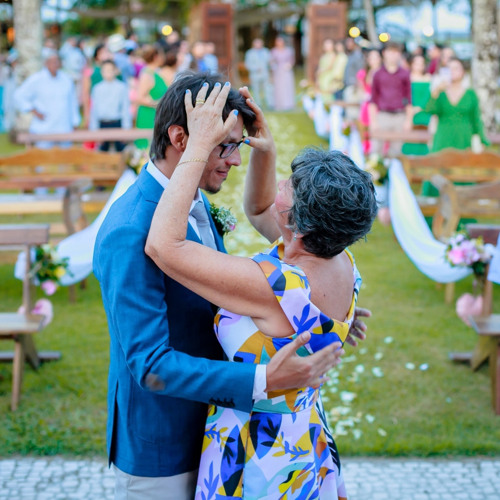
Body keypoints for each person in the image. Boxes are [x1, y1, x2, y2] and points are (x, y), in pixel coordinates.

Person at [93, 72, 369, 499]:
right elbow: (148, 365)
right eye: (226, 145)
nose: (235, 160)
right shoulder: (129, 229)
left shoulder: (194, 201)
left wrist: (311, 326)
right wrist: (269, 370)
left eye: (237, 146)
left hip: (238, 442)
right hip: (165, 441)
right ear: (182, 139)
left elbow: (186, 251)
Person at [14, 50, 80, 149]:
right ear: (46, 63)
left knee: (65, 159)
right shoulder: (37, 79)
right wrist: (33, 110)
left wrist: (75, 121)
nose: (54, 64)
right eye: (51, 61)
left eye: (57, 61)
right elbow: (19, 95)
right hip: (43, 128)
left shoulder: (66, 79)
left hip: (63, 127)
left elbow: (72, 102)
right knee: (42, 159)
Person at [369, 41, 412, 157]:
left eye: (396, 52)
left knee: (396, 152)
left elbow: (408, 98)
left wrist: (408, 120)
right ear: (384, 53)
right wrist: (373, 121)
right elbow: (373, 99)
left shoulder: (405, 74)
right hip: (382, 115)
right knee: (376, 151)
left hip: (399, 116)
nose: (393, 55)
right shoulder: (378, 74)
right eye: (390, 52)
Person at [89, 59, 131, 152]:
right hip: (102, 124)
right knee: (102, 154)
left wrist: (126, 129)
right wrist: (94, 131)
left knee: (120, 153)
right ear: (102, 72)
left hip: (117, 123)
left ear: (115, 70)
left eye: (110, 70)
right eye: (105, 70)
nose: (108, 73)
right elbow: (94, 110)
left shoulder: (121, 87)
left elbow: (125, 108)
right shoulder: (97, 88)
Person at [134, 44, 167, 150]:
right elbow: (139, 97)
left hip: (156, 115)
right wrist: (158, 104)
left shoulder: (155, 72)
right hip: (148, 115)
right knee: (146, 147)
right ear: (156, 57)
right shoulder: (147, 74)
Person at [401, 54, 432, 156]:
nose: (419, 66)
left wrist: (419, 108)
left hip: (423, 112)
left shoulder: (428, 78)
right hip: (409, 112)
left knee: (422, 137)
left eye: (421, 63)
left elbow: (429, 96)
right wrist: (410, 109)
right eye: (416, 63)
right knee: (408, 137)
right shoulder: (406, 77)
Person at [357, 48, 382, 154]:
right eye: (371, 58)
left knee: (377, 131)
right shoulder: (363, 73)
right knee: (364, 131)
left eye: (376, 57)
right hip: (366, 105)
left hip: (379, 106)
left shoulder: (382, 73)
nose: (373, 60)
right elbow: (361, 90)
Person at [244, 38, 272, 109]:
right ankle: (257, 104)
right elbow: (247, 64)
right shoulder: (249, 53)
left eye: (260, 43)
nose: (258, 45)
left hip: (265, 74)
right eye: (257, 43)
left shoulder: (266, 51)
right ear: (254, 44)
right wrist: (255, 68)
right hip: (255, 74)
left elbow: (270, 62)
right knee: (256, 89)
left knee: (268, 89)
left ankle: (270, 104)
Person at [270, 36, 295, 111]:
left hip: (286, 70)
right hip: (278, 71)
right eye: (277, 42)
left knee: (287, 86)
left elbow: (292, 60)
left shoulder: (288, 50)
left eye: (280, 41)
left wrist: (289, 65)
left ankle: (288, 104)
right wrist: (274, 67)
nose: (279, 43)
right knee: (279, 87)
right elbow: (272, 61)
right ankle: (279, 104)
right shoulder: (274, 51)